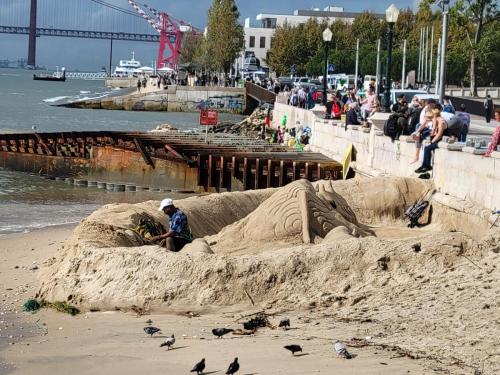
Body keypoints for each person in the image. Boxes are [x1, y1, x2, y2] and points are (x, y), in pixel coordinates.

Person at [415, 108, 447, 173]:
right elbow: (424, 125)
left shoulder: (441, 122)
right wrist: (417, 132)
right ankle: (425, 165)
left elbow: (439, 135)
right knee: (426, 147)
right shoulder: (436, 120)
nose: (429, 120)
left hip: (441, 141)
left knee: (427, 148)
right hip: (437, 139)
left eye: (430, 118)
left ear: (434, 116)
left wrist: (431, 142)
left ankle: (426, 166)